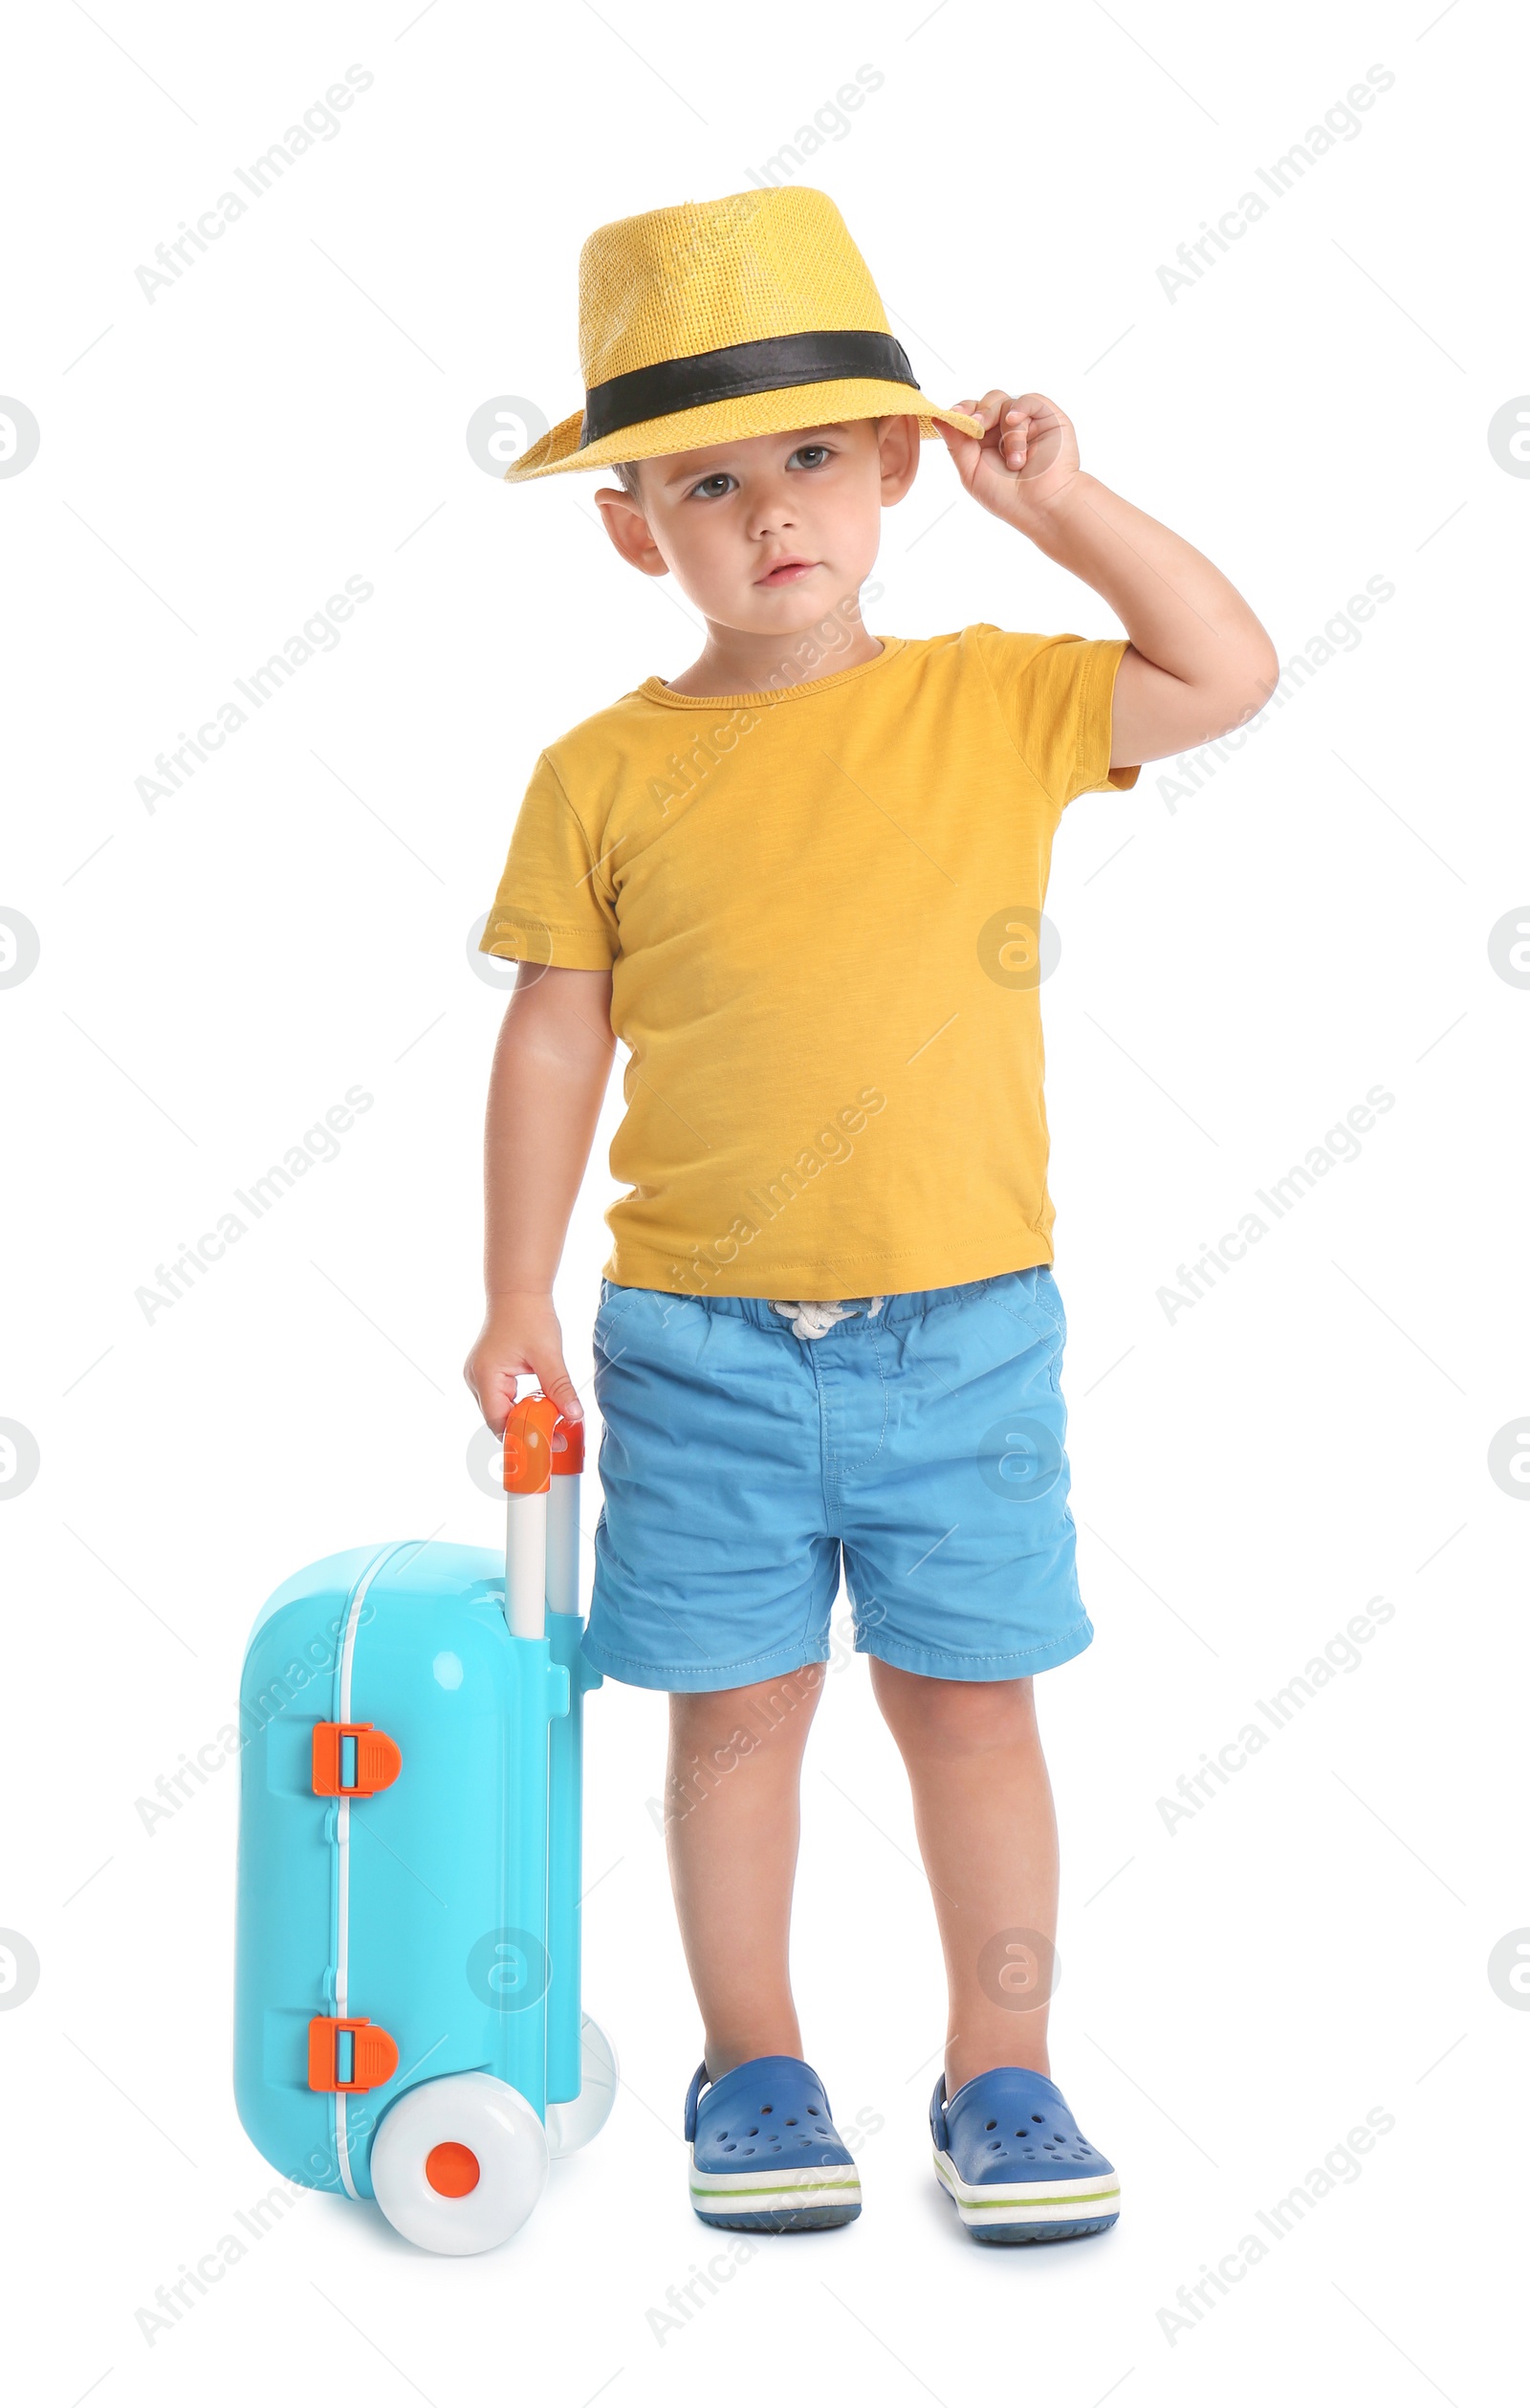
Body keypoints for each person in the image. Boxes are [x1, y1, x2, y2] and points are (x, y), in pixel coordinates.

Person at [465, 186, 1277, 2244]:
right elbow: (556, 1043)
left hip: (963, 1331)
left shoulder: (993, 698)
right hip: (699, 1336)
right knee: (733, 1725)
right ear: (631, 525)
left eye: (813, 454)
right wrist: (512, 1294)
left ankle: (997, 2070)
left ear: (896, 463)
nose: (769, 514)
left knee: (969, 1703)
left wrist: (1061, 511)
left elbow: (1223, 666)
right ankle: (752, 2066)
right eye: (705, 482)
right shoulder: (599, 771)